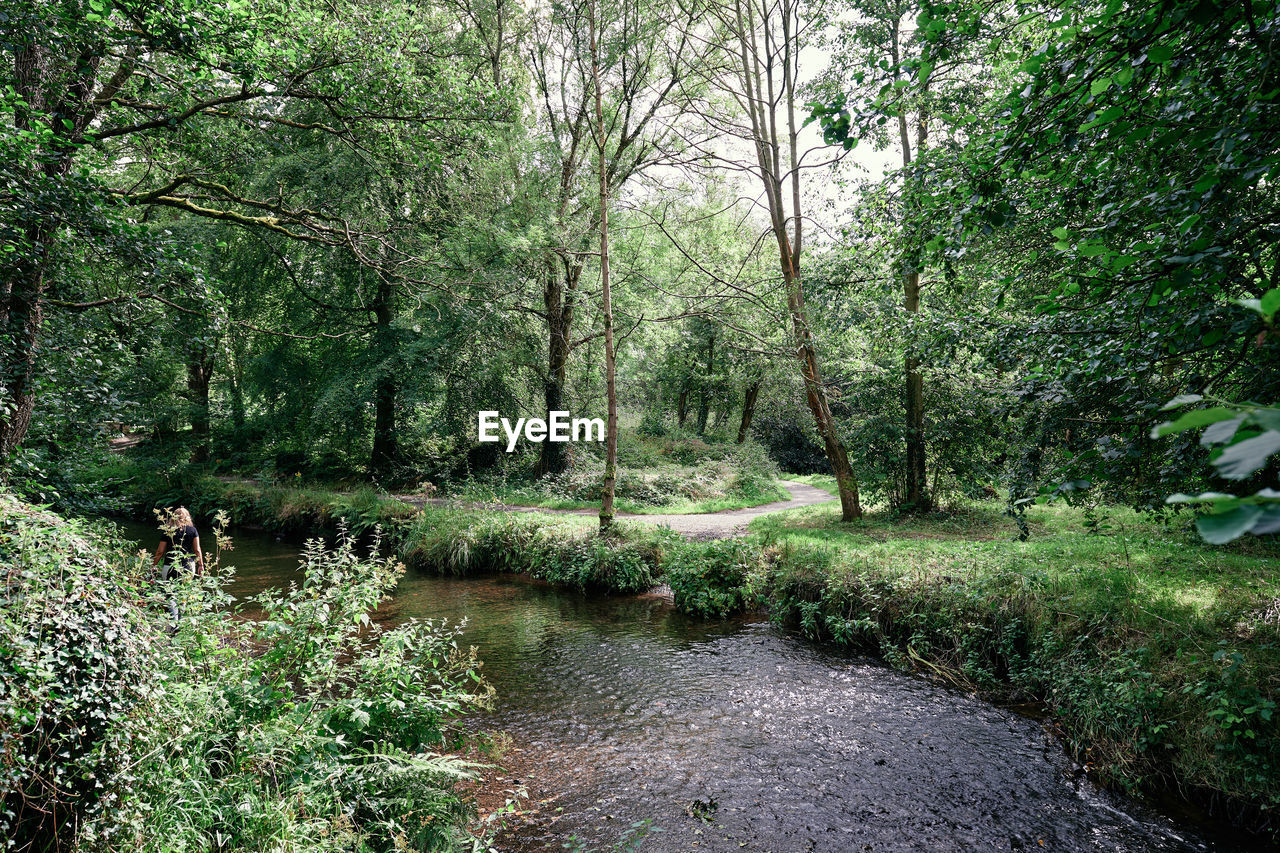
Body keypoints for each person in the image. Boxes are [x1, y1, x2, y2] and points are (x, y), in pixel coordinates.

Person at [153, 507, 204, 624]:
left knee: (171, 593)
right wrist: (201, 565)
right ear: (187, 517)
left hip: (169, 565)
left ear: (173, 517)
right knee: (183, 593)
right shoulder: (193, 530)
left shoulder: (168, 531)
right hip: (188, 566)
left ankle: (174, 622)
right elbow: (197, 550)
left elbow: (160, 552)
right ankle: (181, 623)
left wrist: (153, 565)